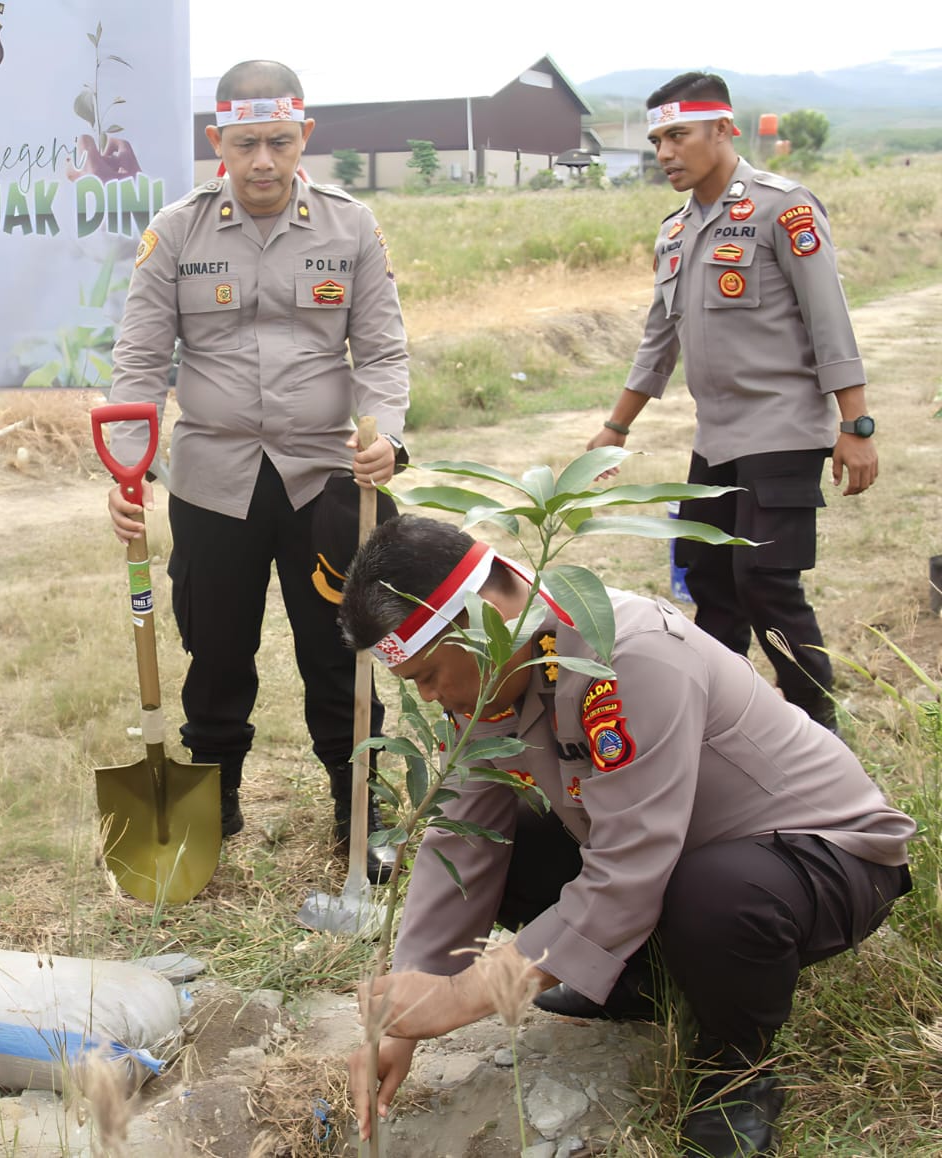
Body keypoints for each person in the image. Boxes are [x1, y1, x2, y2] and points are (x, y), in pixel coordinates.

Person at [339, 515, 913, 1157]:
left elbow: (628, 875)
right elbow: (461, 843)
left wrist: (467, 995)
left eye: (427, 674)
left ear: (482, 623)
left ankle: (733, 1071)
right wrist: (404, 1017)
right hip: (670, 857)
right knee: (512, 847)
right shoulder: (484, 688)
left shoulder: (625, 653)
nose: (430, 696)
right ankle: (643, 983)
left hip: (822, 855)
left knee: (715, 895)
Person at [105, 60, 411, 880]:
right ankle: (214, 803)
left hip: (327, 481)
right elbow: (138, 360)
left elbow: (381, 350)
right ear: (219, 144)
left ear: (305, 136)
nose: (264, 162)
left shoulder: (351, 228)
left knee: (339, 650)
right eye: (246, 145)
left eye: (280, 142)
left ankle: (361, 811)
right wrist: (126, 468)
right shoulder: (177, 231)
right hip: (213, 480)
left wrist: (389, 440)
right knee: (215, 652)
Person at [586, 72, 877, 732]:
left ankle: (818, 740)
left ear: (725, 129)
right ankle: (729, 736)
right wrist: (614, 428)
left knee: (765, 584)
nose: (664, 152)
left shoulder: (783, 209)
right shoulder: (674, 234)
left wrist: (855, 423)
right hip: (714, 439)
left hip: (783, 431)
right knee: (712, 589)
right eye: (657, 139)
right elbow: (658, 342)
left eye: (678, 136)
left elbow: (829, 320)